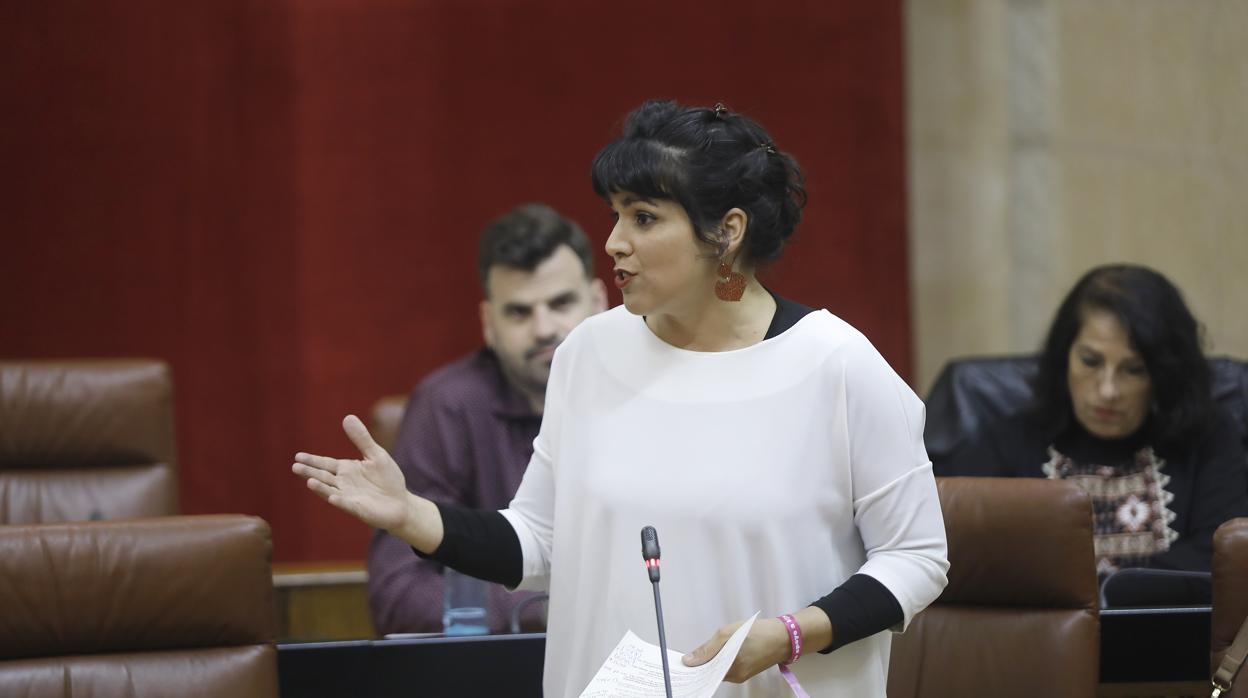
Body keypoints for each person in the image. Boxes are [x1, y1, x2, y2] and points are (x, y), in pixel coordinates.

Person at [293, 100, 949, 697]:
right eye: (615, 215)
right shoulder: (589, 353)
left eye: (643, 218)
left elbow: (917, 558)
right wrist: (411, 514)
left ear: (726, 232)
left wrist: (792, 632)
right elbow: (539, 542)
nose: (613, 243)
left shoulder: (838, 366)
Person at [933, 264, 1248, 602]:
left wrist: (1104, 594)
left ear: (1165, 374)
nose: (1108, 390)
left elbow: (1220, 562)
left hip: (1175, 645)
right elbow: (959, 559)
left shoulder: (1209, 438)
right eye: (1090, 361)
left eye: (1134, 369)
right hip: (1036, 648)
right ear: (1064, 356)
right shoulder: (1006, 439)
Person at [368, 203, 607, 635]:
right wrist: (556, 604)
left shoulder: (644, 393)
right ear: (488, 323)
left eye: (561, 303)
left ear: (598, 301)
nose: (543, 328)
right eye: (519, 312)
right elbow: (399, 596)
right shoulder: (448, 407)